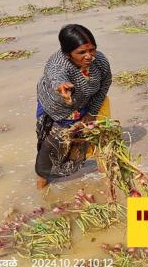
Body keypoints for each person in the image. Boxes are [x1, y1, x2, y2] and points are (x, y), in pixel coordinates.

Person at [35, 24, 112, 189]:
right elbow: (55, 75)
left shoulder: (100, 61)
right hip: (58, 107)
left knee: (97, 137)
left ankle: (105, 177)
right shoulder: (58, 63)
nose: (89, 56)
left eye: (92, 49)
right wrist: (61, 86)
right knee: (53, 147)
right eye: (81, 52)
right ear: (67, 53)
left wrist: (92, 113)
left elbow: (105, 84)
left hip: (87, 102)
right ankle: (41, 185)